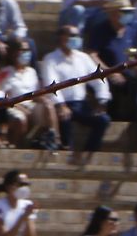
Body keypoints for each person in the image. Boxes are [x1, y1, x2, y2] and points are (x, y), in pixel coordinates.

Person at [39, 22, 111, 164]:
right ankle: (66, 150)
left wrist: (102, 100)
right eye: (72, 35)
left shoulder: (83, 58)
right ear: (61, 38)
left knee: (103, 120)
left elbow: (99, 79)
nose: (76, 38)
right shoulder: (51, 59)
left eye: (77, 35)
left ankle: (89, 152)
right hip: (61, 104)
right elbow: (51, 84)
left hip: (81, 104)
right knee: (64, 118)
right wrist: (60, 105)